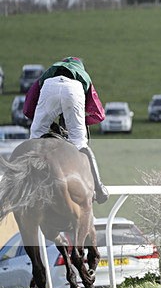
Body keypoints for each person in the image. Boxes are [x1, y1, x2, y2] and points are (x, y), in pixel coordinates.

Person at [23, 56, 108, 203]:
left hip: (49, 87)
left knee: (35, 137)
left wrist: (49, 125)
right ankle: (99, 188)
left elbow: (27, 110)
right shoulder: (84, 77)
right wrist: (77, 123)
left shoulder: (46, 75)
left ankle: (25, 185)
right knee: (80, 142)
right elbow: (99, 115)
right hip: (74, 90)